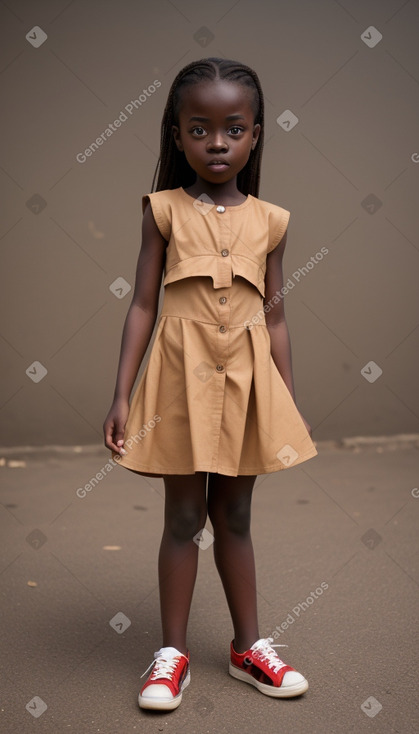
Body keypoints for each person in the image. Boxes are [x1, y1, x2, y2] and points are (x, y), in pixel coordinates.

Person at [103, 57, 318, 712]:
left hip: (250, 384)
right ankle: (171, 654)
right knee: (184, 517)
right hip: (177, 383)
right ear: (176, 135)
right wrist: (121, 392)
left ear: (255, 135)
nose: (216, 142)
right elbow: (142, 304)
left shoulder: (272, 221)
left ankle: (248, 646)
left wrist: (285, 397)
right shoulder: (162, 211)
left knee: (237, 516)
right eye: (199, 129)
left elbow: (275, 316)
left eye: (233, 129)